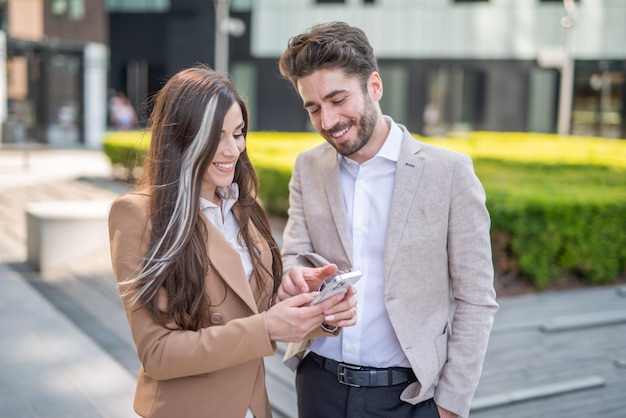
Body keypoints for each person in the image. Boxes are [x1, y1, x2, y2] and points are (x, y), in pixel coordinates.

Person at [276, 22, 499, 418]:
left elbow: (476, 299)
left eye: (337, 99)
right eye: (314, 108)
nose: (327, 121)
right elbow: (294, 253)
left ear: (374, 87)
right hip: (318, 385)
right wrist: (292, 275)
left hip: (410, 398)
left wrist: (449, 405)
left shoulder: (450, 173)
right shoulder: (308, 167)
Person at [108, 65, 357, 418]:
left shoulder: (244, 206)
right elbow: (158, 353)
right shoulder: (138, 215)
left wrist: (319, 308)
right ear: (180, 137)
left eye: (238, 133)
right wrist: (267, 326)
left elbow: (256, 308)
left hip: (252, 407)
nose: (232, 150)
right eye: (217, 136)